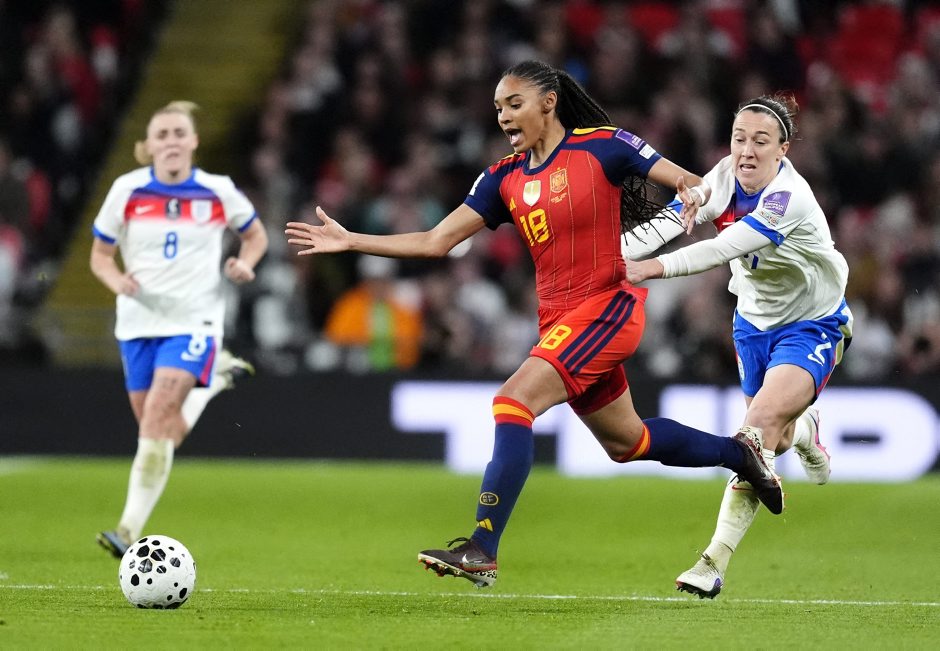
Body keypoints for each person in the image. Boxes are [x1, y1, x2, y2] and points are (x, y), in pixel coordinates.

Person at [286, 60, 783, 588]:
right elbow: (436, 241)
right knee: (628, 443)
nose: (503, 116)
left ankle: (482, 547)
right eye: (498, 107)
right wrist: (352, 240)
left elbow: (689, 181)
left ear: (549, 102)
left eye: (513, 103)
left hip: (607, 307)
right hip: (560, 323)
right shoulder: (502, 178)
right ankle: (741, 454)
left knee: (512, 401)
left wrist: (691, 195)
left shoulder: (605, 145)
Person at [624, 93, 853, 598]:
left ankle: (712, 563)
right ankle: (807, 430)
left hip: (812, 323)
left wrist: (649, 268)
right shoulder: (726, 175)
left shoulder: (788, 198)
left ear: (783, 150)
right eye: (739, 138)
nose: (746, 151)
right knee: (776, 437)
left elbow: (723, 247)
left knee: (755, 434)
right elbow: (674, 217)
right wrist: (612, 255)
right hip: (752, 324)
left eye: (760, 141)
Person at [90, 101, 268, 558]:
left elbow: (256, 235)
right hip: (137, 322)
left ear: (193, 141)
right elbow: (100, 256)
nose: (171, 141)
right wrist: (117, 281)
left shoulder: (217, 190)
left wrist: (245, 263)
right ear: (148, 145)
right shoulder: (127, 190)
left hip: (194, 320)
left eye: (178, 133)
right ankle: (214, 383)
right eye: (162, 134)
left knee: (156, 418)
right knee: (161, 430)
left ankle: (127, 530)